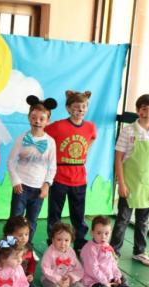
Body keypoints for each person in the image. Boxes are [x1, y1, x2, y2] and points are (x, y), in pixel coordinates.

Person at [110, 94, 149, 266]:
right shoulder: (128, 131)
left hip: (148, 185)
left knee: (143, 221)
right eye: (144, 109)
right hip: (129, 184)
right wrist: (122, 183)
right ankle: (113, 252)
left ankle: (139, 251)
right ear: (137, 110)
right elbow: (118, 158)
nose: (147, 113)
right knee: (122, 220)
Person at [45, 90, 96, 252]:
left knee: (78, 215)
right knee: (55, 214)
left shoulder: (90, 127)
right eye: (76, 107)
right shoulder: (59, 126)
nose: (80, 110)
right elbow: (43, 133)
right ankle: (53, 242)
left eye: (83, 107)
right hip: (59, 177)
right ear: (68, 108)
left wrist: (84, 152)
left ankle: (80, 242)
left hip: (79, 178)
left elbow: (92, 137)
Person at [7, 96, 57, 242]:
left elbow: (52, 166)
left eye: (42, 119)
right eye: (34, 117)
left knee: (32, 221)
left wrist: (47, 184)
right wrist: (15, 181)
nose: (37, 121)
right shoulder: (22, 138)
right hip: (21, 187)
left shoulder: (50, 142)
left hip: (38, 190)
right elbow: (10, 161)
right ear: (29, 118)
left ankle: (26, 249)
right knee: (15, 220)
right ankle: (8, 248)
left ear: (47, 121)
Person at [82, 216, 145, 287]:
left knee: (122, 278)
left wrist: (116, 276)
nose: (103, 237)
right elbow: (93, 270)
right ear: (92, 232)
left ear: (110, 233)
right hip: (94, 280)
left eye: (106, 233)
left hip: (108, 276)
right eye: (99, 233)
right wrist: (105, 281)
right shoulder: (89, 248)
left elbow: (112, 263)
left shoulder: (107, 245)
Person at [41, 223, 109, 287]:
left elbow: (79, 269)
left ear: (71, 241)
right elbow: (45, 269)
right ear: (53, 239)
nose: (63, 243)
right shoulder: (49, 253)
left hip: (67, 279)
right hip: (51, 279)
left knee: (77, 286)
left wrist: (70, 278)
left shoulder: (70, 251)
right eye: (59, 240)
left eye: (66, 240)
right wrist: (58, 279)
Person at [2, 216, 46, 287]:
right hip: (8, 281)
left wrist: (30, 274)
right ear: (9, 234)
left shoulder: (28, 247)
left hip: (24, 280)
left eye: (26, 234)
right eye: (20, 235)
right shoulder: (4, 247)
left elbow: (32, 262)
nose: (24, 238)